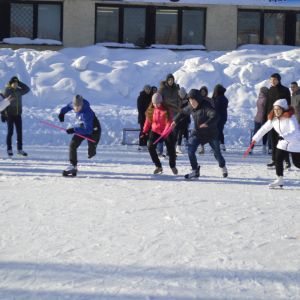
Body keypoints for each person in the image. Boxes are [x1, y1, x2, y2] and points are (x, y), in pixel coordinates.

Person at [172, 89, 228, 179]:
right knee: (190, 150)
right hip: (198, 132)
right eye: (190, 101)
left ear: (198, 99)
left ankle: (222, 166)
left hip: (211, 133)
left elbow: (215, 115)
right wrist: (175, 121)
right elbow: (182, 112)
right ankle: (195, 171)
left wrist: (207, 123)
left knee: (217, 153)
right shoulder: (191, 106)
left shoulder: (206, 106)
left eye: (193, 101)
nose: (191, 103)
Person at [252, 99, 300, 188]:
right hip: (282, 143)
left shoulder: (290, 118)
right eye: (274, 109)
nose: (276, 111)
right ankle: (279, 180)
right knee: (277, 159)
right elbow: (264, 129)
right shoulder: (273, 119)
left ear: (283, 109)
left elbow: (295, 132)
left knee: (297, 163)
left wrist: (285, 136)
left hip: (294, 142)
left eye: (278, 109)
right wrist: (255, 138)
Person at [58, 95, 101, 177]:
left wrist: (74, 130)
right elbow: (67, 107)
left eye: (79, 106)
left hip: (94, 129)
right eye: (75, 106)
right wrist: (62, 113)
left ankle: (92, 149)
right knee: (73, 144)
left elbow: (88, 130)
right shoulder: (73, 104)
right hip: (83, 127)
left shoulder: (86, 113)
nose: (76, 108)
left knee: (91, 153)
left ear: (82, 105)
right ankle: (73, 166)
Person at [142, 93, 177, 175]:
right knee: (150, 146)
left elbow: (169, 122)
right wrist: (144, 131)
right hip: (155, 131)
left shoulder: (167, 110)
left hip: (166, 131)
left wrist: (165, 132)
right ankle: (158, 166)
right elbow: (148, 121)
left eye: (158, 103)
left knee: (171, 149)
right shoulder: (151, 109)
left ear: (161, 102)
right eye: (154, 103)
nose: (156, 105)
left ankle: (172, 166)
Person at [264, 73, 291, 169]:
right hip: (272, 119)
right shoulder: (270, 90)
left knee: (283, 140)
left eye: (274, 79)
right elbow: (267, 105)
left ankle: (287, 161)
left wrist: (287, 117)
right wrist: (265, 117)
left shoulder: (285, 90)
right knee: (273, 140)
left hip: (282, 119)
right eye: (271, 79)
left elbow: (288, 105)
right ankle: (274, 160)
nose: (273, 81)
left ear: (279, 80)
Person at [2, 76, 30, 156]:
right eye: (14, 83)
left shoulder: (19, 91)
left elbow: (27, 89)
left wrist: (20, 82)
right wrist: (3, 114)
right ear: (11, 84)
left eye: (16, 83)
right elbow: (3, 103)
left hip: (18, 114)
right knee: (10, 132)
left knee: (19, 132)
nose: (15, 84)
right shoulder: (7, 91)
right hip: (10, 115)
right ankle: (9, 149)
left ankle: (19, 149)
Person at [249, 87, 269, 154]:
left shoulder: (259, 98)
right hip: (263, 118)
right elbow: (265, 110)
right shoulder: (266, 99)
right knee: (264, 133)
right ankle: (264, 147)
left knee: (255, 134)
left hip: (257, 118)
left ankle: (251, 148)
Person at [212, 84, 228, 151]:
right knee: (220, 130)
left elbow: (215, 108)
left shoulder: (217, 99)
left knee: (216, 131)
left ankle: (218, 145)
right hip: (223, 117)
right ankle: (221, 145)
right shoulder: (224, 98)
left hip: (217, 117)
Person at [176, 87, 190, 154]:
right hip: (179, 119)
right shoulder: (178, 100)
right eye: (181, 94)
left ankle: (187, 145)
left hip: (186, 118)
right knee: (180, 133)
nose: (182, 95)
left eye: (183, 94)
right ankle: (178, 147)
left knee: (186, 132)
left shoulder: (188, 99)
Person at [137, 85, 152, 151]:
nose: (148, 91)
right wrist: (145, 114)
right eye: (147, 89)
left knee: (148, 131)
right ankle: (141, 144)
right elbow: (140, 108)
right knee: (142, 130)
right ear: (144, 90)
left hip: (149, 117)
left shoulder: (151, 97)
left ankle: (146, 143)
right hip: (142, 117)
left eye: (149, 89)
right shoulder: (140, 97)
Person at [198, 86, 212, 154]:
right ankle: (202, 148)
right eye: (202, 92)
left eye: (204, 92)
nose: (203, 93)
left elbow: (213, 108)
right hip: (200, 118)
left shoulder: (209, 100)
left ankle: (213, 147)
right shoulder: (198, 99)